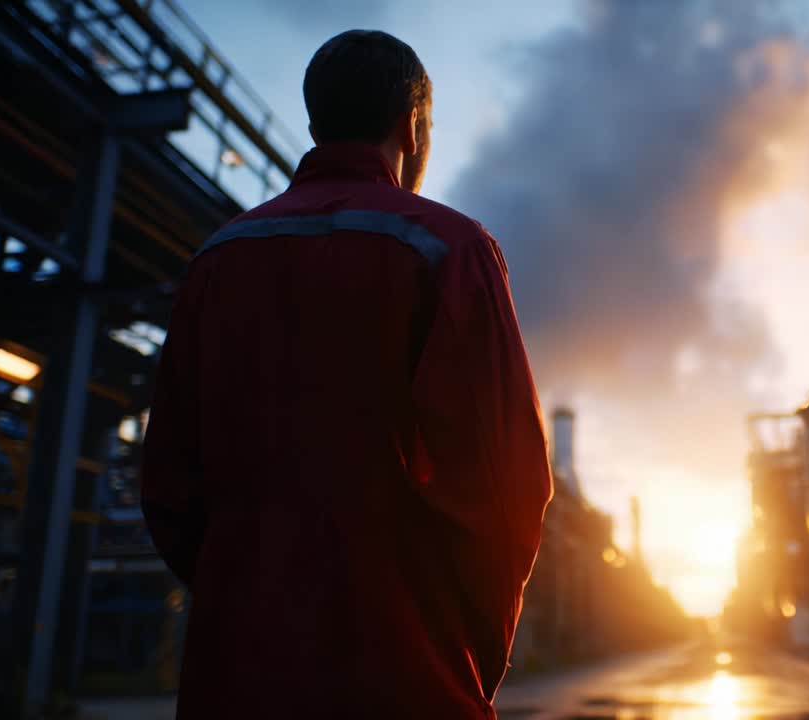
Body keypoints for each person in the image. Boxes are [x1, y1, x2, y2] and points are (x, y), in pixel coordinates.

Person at [141, 30, 553, 719]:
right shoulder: (450, 248)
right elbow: (503, 486)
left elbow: (168, 487)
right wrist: (467, 649)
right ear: (412, 125)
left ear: (314, 122)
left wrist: (246, 591)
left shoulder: (216, 259)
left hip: (235, 670)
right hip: (402, 669)